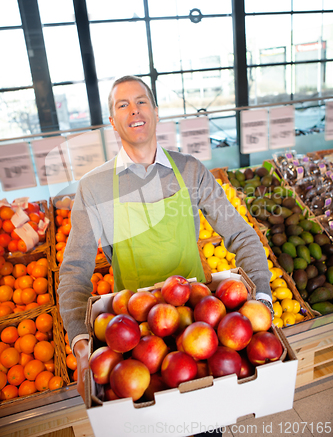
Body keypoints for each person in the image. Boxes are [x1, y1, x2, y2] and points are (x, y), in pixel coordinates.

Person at [58, 75, 273, 435]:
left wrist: (262, 297)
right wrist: (81, 339)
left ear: (156, 112)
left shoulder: (190, 170)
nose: (134, 110)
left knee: (206, 426)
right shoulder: (94, 188)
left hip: (198, 324)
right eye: (122, 105)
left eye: (141, 101)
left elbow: (240, 234)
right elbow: (75, 269)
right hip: (134, 337)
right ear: (112, 121)